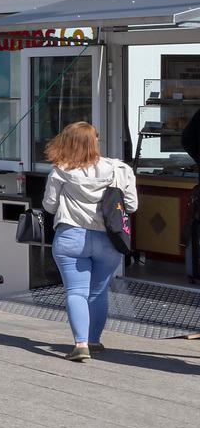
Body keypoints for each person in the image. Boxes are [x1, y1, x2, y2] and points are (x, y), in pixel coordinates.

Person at [41, 122, 136, 361]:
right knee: (98, 291)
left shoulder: (60, 170)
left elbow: (49, 206)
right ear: (96, 142)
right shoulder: (120, 169)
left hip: (71, 237)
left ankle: (80, 344)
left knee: (76, 291)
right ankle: (94, 340)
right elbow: (132, 206)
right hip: (109, 240)